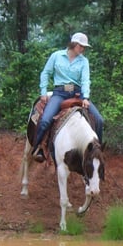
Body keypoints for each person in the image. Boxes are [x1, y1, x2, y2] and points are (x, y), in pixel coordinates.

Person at [31, 32, 104, 162]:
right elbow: (45, 73)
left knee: (99, 120)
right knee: (45, 120)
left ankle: (96, 152)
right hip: (60, 93)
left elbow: (86, 80)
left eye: (84, 47)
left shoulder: (84, 61)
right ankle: (39, 148)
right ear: (74, 44)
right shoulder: (56, 56)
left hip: (78, 93)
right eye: (81, 46)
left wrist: (85, 97)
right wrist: (43, 92)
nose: (83, 49)